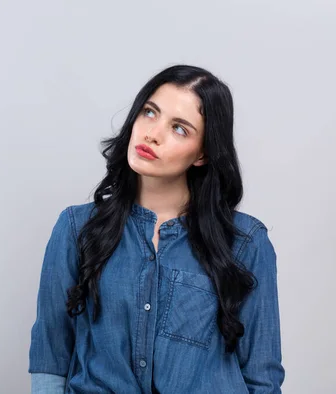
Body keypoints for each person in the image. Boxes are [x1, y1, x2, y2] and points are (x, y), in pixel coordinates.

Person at [28, 65, 285, 393]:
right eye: (150, 112)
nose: (153, 134)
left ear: (203, 152)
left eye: (180, 129)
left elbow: (262, 376)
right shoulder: (77, 228)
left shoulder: (245, 243)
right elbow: (51, 355)